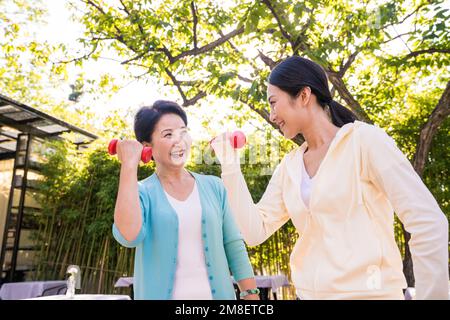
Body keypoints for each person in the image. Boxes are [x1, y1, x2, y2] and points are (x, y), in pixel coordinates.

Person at [211, 56, 449, 300]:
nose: (272, 115)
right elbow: (254, 232)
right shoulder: (290, 166)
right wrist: (230, 166)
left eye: (273, 103)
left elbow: (428, 222)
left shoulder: (364, 142)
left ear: (304, 96)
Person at [112, 100, 259, 300]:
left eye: (183, 132)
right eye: (168, 134)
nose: (179, 141)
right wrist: (129, 165)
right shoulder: (141, 192)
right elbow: (129, 236)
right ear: (147, 147)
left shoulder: (214, 187)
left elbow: (233, 243)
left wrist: (251, 295)